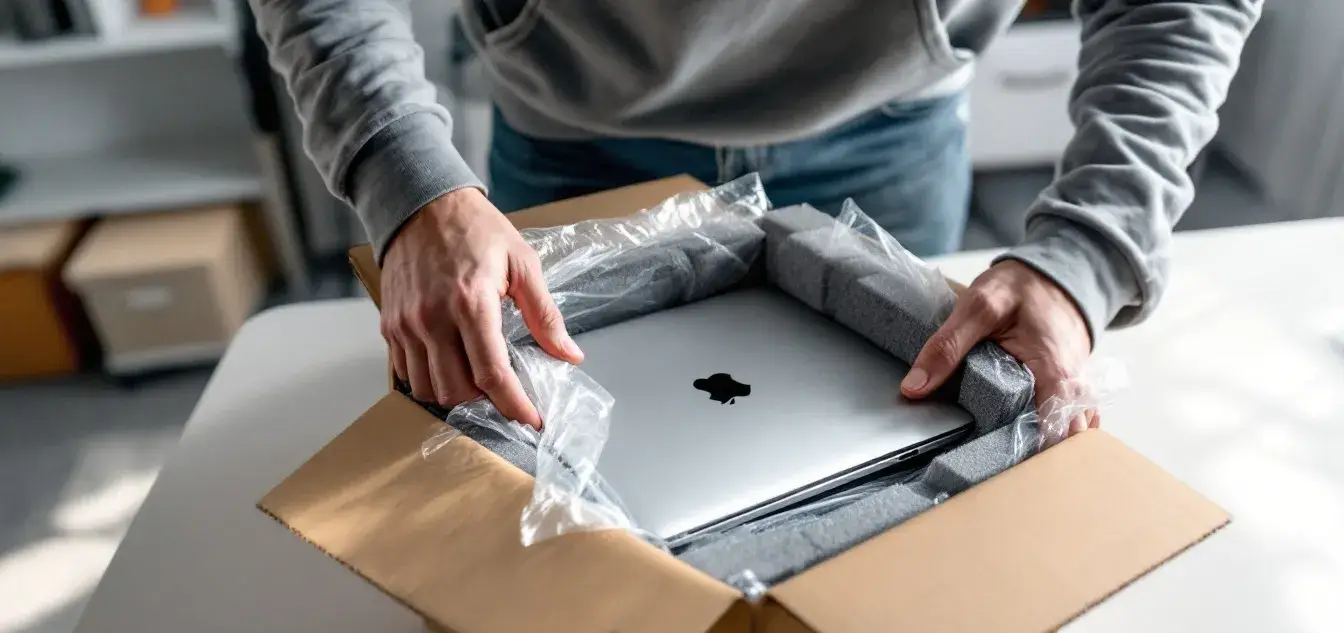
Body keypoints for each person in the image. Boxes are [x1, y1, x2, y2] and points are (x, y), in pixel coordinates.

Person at [252, 0, 1261, 431]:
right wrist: (407, 181)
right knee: (563, 474)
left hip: (891, 131)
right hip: (572, 130)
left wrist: (1090, 251)